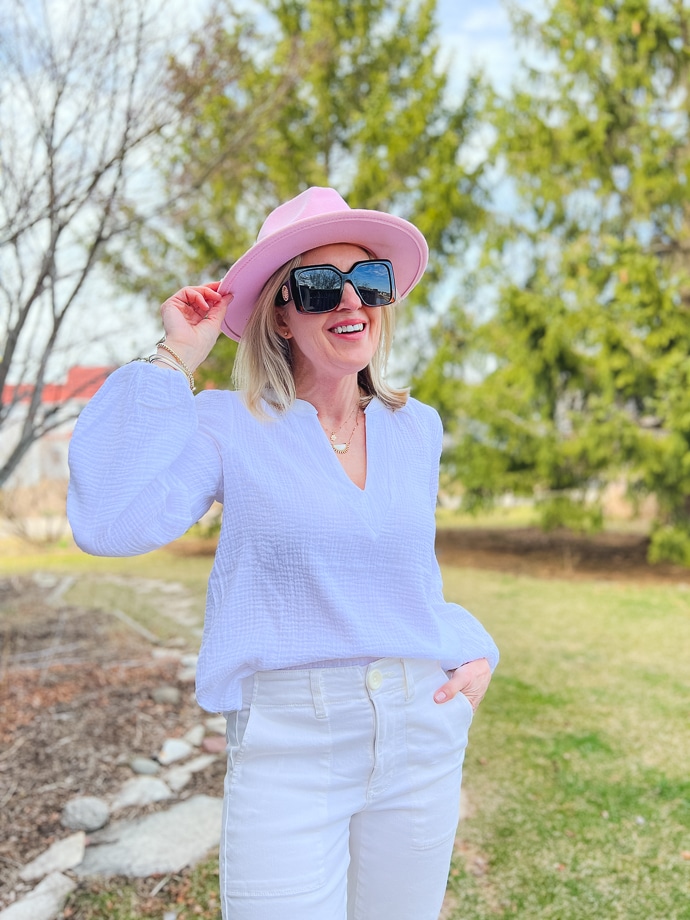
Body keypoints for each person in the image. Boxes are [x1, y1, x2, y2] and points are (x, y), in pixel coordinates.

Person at [67, 186, 499, 920]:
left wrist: (470, 646)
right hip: (290, 745)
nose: (349, 301)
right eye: (318, 285)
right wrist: (177, 355)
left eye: (366, 280)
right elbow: (108, 520)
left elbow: (404, 575)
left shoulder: (415, 427)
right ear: (280, 311)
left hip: (420, 732)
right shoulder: (227, 424)